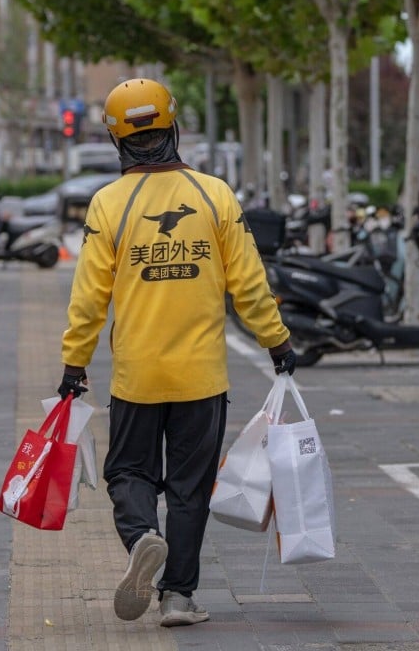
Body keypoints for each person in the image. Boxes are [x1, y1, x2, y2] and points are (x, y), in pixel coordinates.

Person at [57, 78, 295, 627]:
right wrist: (277, 342)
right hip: (202, 379)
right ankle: (178, 597)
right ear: (173, 126)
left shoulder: (108, 203)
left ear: (118, 139)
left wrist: (75, 362)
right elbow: (250, 286)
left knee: (129, 475)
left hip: (137, 377)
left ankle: (143, 536)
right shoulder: (215, 195)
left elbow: (88, 297)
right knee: (190, 489)